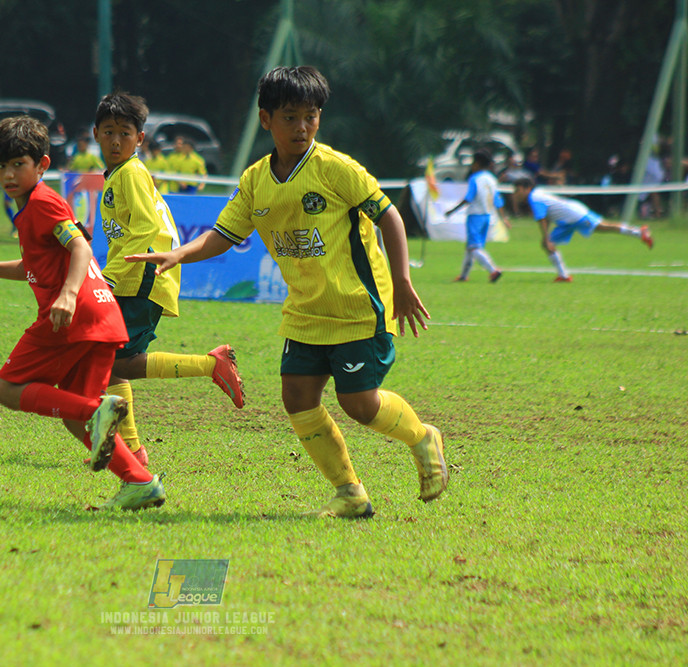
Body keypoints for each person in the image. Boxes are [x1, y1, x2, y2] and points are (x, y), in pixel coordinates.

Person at [126, 66, 448, 519]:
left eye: (311, 117)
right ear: (266, 120)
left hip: (358, 306)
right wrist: (179, 254)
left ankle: (421, 437)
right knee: (297, 397)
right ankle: (350, 492)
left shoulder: (335, 169)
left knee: (359, 404)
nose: (301, 127)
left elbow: (390, 216)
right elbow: (223, 233)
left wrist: (402, 281)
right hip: (305, 311)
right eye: (290, 117)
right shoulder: (256, 179)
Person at [0, 115, 165, 511]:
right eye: (1, 166)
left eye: (18, 165)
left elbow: (79, 247)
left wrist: (66, 295)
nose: (8, 175)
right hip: (102, 315)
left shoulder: (43, 204)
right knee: (74, 416)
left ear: (41, 165)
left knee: (6, 389)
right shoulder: (33, 207)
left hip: (73, 315)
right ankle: (140, 482)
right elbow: (33, 266)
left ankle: (100, 411)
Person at [92, 92, 245, 467]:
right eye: (108, 132)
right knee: (110, 360)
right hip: (135, 278)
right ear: (95, 134)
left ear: (140, 139)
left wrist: (108, 278)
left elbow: (145, 226)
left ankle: (212, 364)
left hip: (140, 279)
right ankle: (134, 451)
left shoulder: (129, 173)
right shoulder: (121, 175)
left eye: (124, 133)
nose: (115, 141)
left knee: (116, 362)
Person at [513, 175, 654, 282]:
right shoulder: (537, 194)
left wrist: (546, 237)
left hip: (575, 214)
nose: (516, 194)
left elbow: (542, 220)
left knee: (604, 226)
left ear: (527, 188)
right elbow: (546, 216)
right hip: (566, 219)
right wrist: (547, 238)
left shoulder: (534, 198)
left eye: (518, 190)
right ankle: (563, 276)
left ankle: (639, 232)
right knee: (547, 244)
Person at [445, 150, 509, 283]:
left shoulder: (475, 178)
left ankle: (493, 270)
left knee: (474, 247)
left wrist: (452, 210)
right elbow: (497, 200)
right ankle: (463, 275)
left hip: (475, 215)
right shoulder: (492, 179)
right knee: (471, 247)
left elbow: (468, 198)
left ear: (477, 163)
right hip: (487, 216)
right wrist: (504, 218)